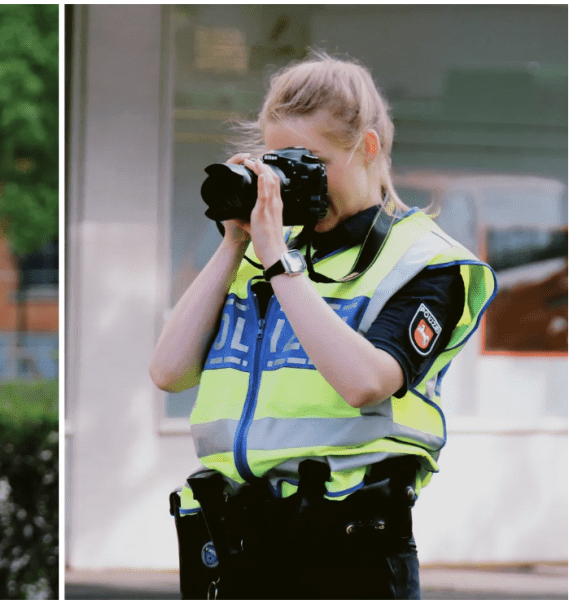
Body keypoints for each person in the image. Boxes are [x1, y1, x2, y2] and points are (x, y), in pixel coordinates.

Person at [151, 51, 496, 599]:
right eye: (278, 163)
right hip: (234, 540)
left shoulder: (424, 263)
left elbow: (366, 382)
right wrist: (235, 242)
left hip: (345, 547)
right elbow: (169, 371)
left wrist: (277, 263)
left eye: (310, 162)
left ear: (368, 149)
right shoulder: (262, 256)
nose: (293, 183)